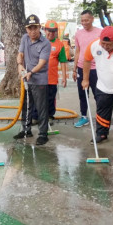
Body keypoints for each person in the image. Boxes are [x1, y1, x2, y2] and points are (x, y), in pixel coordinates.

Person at [15, 14, 51, 146]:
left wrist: (31, 72)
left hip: (39, 79)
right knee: (26, 106)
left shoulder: (45, 43)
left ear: (39, 27)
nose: (32, 31)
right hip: (26, 79)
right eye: (29, 28)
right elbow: (21, 53)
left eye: (35, 28)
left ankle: (43, 134)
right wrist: (19, 64)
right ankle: (26, 130)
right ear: (26, 29)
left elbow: (42, 63)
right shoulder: (25, 38)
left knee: (41, 108)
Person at [32, 20, 67, 125]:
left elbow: (63, 62)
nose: (51, 33)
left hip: (52, 78)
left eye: (53, 31)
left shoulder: (59, 45)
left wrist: (64, 78)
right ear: (44, 30)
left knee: (50, 98)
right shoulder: (38, 42)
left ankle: (50, 116)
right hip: (38, 78)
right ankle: (35, 116)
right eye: (49, 31)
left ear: (56, 32)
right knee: (37, 98)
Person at [73, 9, 102, 128]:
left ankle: (101, 118)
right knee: (83, 94)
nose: (84, 23)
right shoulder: (78, 33)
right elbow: (78, 51)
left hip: (96, 68)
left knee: (98, 94)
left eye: (86, 20)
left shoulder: (100, 32)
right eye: (82, 20)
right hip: (81, 67)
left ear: (92, 19)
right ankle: (84, 117)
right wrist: (74, 69)